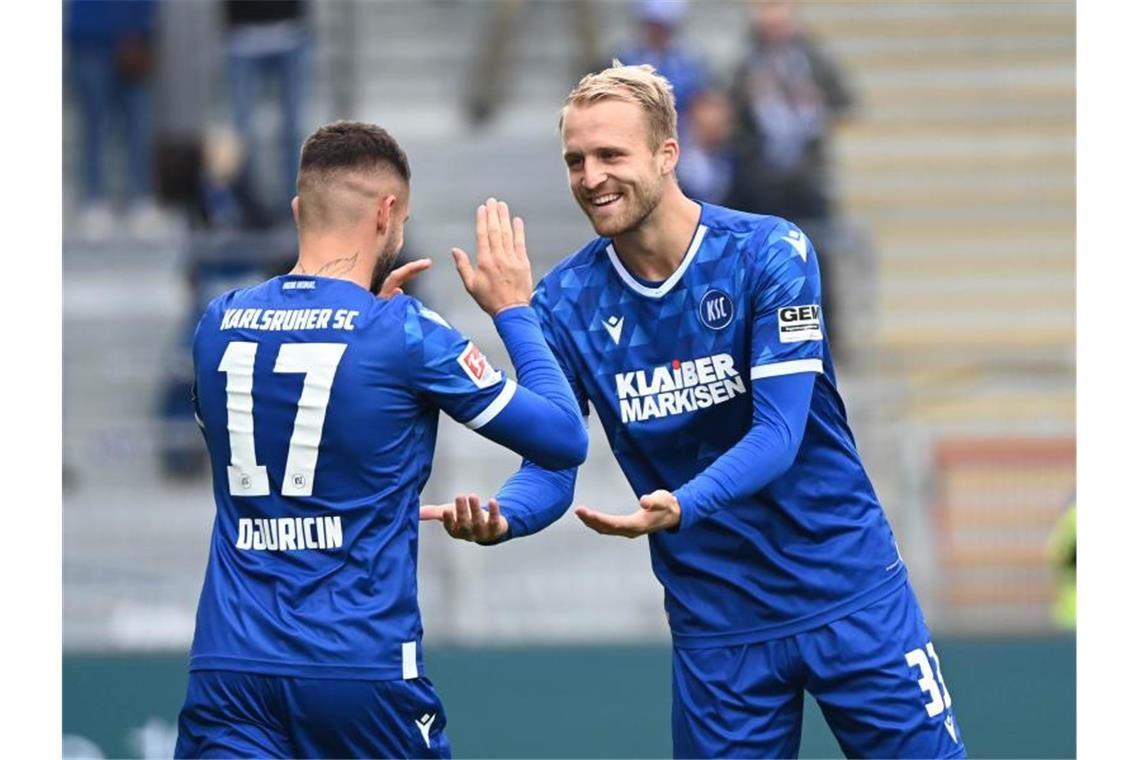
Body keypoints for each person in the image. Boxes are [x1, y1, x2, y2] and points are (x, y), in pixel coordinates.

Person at [423, 65, 965, 759]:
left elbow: (778, 433)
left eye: (611, 155)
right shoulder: (566, 303)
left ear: (666, 154)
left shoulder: (770, 252)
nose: (591, 177)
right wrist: (507, 515)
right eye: (575, 160)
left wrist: (681, 505)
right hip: (719, 632)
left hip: (848, 594)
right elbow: (554, 463)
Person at [173, 121, 588, 759]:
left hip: (230, 668)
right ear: (388, 214)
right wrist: (513, 310)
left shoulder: (217, 321)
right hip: (359, 670)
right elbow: (563, 437)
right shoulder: (404, 331)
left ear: (297, 211)